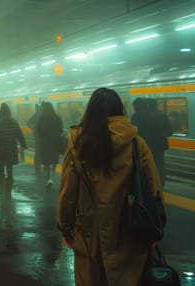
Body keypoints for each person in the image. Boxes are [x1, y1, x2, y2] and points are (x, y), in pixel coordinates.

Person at [58, 87, 164, 285]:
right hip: (130, 233)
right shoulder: (136, 144)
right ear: (120, 111)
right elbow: (154, 189)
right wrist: (154, 231)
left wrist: (66, 229)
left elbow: (68, 193)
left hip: (90, 237)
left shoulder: (79, 144)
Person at [0, 103, 27, 197]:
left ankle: (2, 188)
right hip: (11, 149)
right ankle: (8, 191)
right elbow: (19, 134)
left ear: (0, 111)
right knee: (10, 170)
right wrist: (23, 144)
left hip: (0, 149)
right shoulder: (14, 122)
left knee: (1, 170)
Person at [36, 102, 63, 188]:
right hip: (55, 143)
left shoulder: (42, 118)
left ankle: (48, 177)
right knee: (54, 160)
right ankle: (51, 178)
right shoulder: (57, 118)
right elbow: (61, 130)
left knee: (46, 161)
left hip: (45, 144)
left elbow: (38, 131)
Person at [27, 103, 43, 179]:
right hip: (43, 136)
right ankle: (43, 164)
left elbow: (28, 123)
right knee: (43, 150)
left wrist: (33, 128)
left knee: (37, 151)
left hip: (37, 136)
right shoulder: (44, 115)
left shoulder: (36, 115)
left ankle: (37, 165)